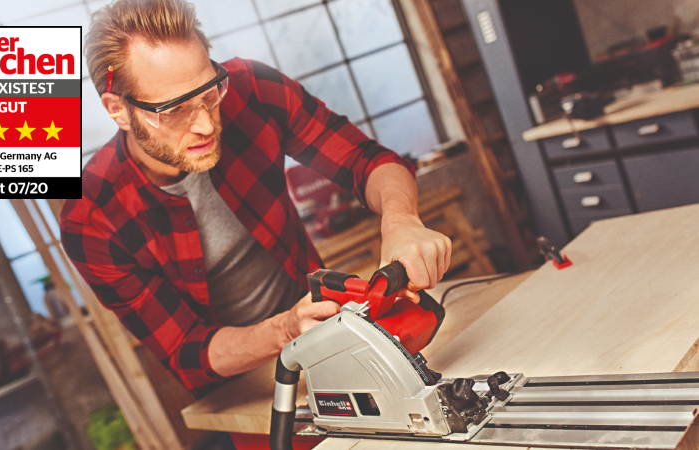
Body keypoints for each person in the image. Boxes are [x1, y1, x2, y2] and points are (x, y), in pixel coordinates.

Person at [61, 0, 452, 397]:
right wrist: (285, 329)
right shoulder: (92, 218)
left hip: (327, 342)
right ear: (119, 110)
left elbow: (366, 161)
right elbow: (187, 351)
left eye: (209, 91)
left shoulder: (253, 89)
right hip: (240, 384)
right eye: (174, 110)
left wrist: (401, 221)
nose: (204, 123)